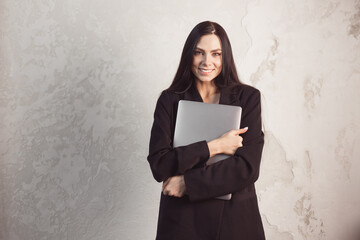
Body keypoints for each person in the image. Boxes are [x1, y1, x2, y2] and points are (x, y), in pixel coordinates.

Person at [147, 21, 265, 240]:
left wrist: (187, 183)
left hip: (235, 220)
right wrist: (213, 147)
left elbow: (247, 168)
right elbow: (159, 165)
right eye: (199, 52)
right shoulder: (170, 100)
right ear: (188, 55)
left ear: (225, 57)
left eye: (216, 54)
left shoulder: (248, 98)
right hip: (183, 222)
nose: (206, 62)